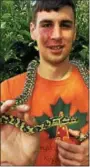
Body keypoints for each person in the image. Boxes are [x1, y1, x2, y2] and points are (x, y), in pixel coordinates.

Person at [1, 0, 89, 166]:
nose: (56, 35)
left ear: (75, 32)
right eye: (46, 24)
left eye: (65, 25)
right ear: (32, 30)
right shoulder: (7, 93)